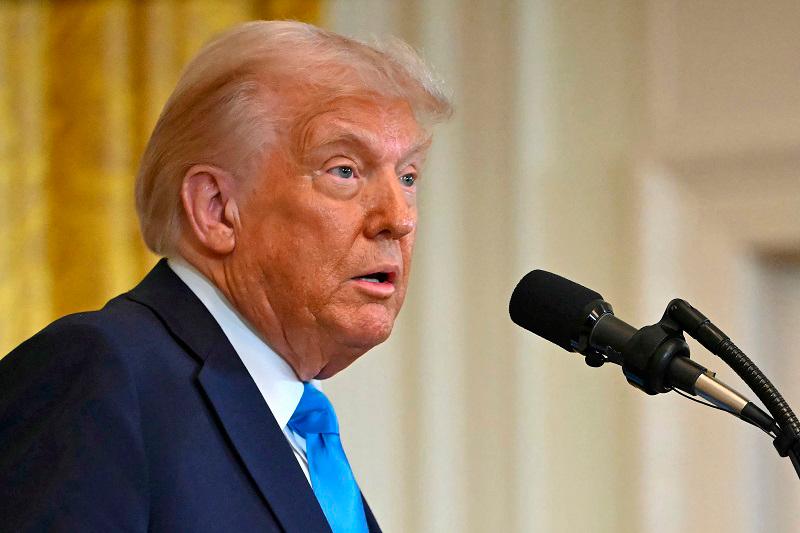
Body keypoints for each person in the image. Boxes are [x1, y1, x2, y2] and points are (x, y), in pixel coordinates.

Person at [0, 20, 451, 532]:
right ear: (215, 209)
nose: (400, 217)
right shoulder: (99, 373)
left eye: (408, 176)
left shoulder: (300, 429)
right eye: (344, 170)